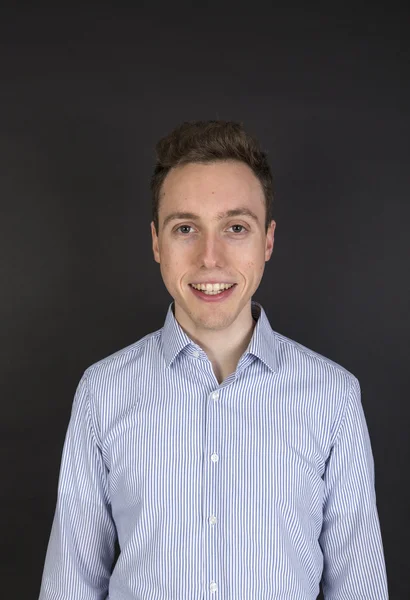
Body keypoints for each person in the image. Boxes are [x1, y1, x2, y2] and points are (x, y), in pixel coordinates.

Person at [38, 120, 388, 599]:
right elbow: (69, 585)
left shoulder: (333, 396)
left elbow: (360, 588)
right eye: (186, 228)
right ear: (157, 243)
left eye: (235, 228)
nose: (210, 258)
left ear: (267, 240)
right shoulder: (102, 391)